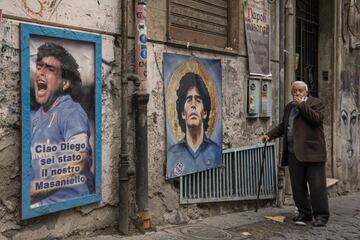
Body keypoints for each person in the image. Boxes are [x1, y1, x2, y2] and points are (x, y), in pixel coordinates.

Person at [30, 42, 94, 207]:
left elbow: (79, 160)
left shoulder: (71, 112)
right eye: (39, 67)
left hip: (68, 202)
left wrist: (37, 189)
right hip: (43, 204)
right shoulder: (38, 114)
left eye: (50, 70)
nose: (41, 73)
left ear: (65, 83)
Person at [262, 81, 329, 227]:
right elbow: (283, 126)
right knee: (298, 187)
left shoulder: (316, 103)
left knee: (317, 187)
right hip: (294, 152)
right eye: (294, 91)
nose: (296, 93)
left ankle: (321, 216)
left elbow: (316, 119)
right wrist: (270, 135)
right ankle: (305, 213)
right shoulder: (289, 107)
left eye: (300, 91)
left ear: (306, 92)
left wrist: (301, 105)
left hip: (313, 152)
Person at [166, 72, 221, 178]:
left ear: (204, 113)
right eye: (189, 100)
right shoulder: (172, 154)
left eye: (198, 100)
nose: (193, 105)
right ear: (182, 113)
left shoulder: (215, 151)